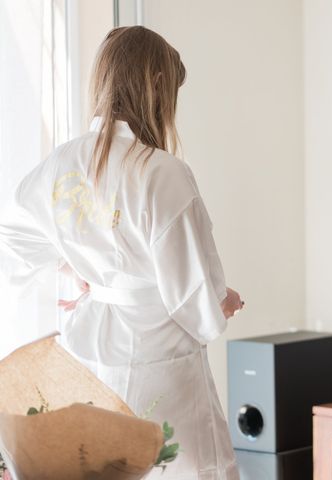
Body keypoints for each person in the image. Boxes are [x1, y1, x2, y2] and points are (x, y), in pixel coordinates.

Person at [0, 26, 242, 479]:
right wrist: (219, 301)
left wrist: (73, 271)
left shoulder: (62, 162)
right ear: (155, 87)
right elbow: (194, 301)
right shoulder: (163, 173)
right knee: (185, 467)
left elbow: (11, 235)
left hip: (89, 357)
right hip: (160, 360)